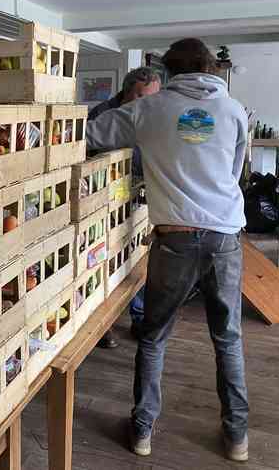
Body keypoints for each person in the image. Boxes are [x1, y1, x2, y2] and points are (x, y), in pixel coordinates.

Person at [86, 38, 250, 462]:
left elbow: (93, 134)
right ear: (211, 68)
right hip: (225, 235)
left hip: (174, 235)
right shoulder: (233, 110)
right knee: (227, 339)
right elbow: (234, 172)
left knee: (155, 337)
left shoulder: (149, 108)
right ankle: (237, 438)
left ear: (169, 71)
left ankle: (142, 432)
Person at [88, 67, 161, 349]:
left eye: (152, 97)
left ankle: (138, 316)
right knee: (102, 260)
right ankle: (101, 324)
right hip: (104, 197)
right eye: (141, 96)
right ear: (126, 91)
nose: (146, 103)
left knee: (136, 257)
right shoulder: (100, 115)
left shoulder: (152, 115)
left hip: (137, 194)